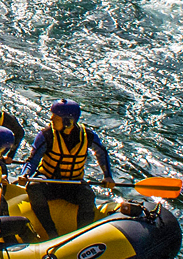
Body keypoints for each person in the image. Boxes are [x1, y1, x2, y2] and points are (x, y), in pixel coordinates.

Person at [17, 100, 114, 238]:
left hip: (72, 184)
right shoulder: (47, 135)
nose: (51, 119)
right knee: (33, 187)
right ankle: (51, 232)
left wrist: (107, 176)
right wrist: (25, 174)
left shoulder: (88, 136)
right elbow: (33, 160)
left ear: (68, 121)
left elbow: (101, 153)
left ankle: (81, 236)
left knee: (88, 196)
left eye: (56, 117)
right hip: (49, 182)